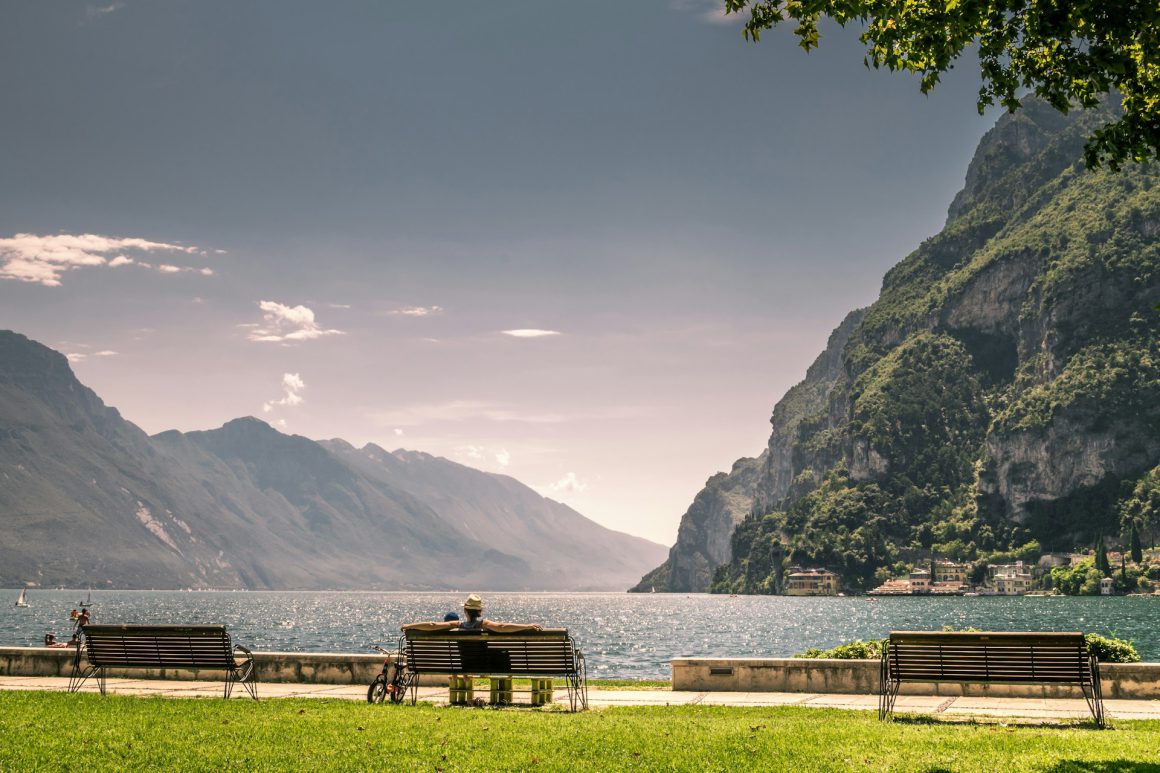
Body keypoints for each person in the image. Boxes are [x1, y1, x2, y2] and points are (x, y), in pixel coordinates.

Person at [402, 594, 543, 633]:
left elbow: (432, 625)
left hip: (464, 663)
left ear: (465, 610)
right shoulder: (484, 624)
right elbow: (501, 627)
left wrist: (409, 625)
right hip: (483, 662)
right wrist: (527, 626)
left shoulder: (458, 624)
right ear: (480, 611)